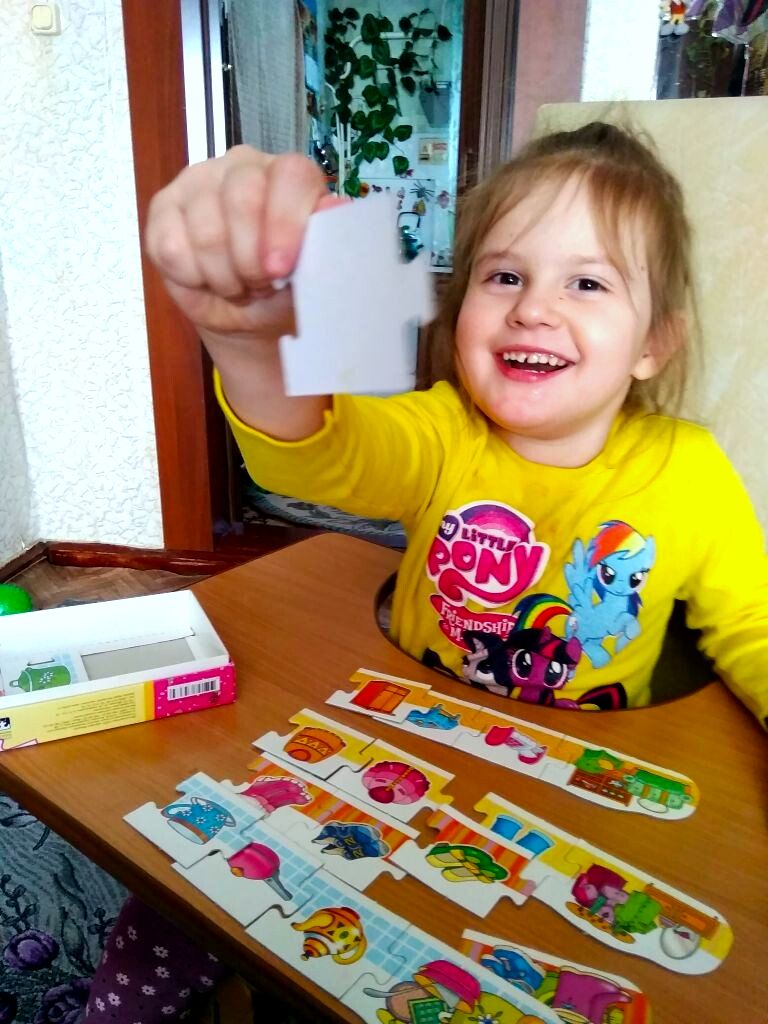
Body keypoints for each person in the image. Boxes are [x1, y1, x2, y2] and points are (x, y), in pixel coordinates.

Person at [85, 121, 768, 1022]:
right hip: (398, 769)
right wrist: (249, 345)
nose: (533, 309)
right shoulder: (444, 429)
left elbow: (753, 626)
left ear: (655, 343)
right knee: (186, 892)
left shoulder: (692, 471)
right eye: (505, 275)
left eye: (588, 282)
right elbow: (311, 456)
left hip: (571, 813)